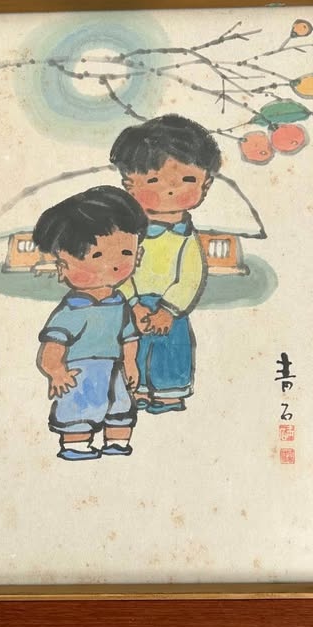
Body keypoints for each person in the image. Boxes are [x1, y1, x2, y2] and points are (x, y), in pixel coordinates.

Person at [109, 114, 222, 413]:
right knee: (132, 349)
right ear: (129, 185)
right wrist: (133, 303)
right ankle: (137, 391)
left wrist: (169, 310)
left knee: (172, 352)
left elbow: (191, 277)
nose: (170, 190)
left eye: (187, 180)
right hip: (132, 306)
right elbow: (119, 270)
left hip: (171, 310)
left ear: (206, 184)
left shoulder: (187, 238)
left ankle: (169, 394)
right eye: (154, 181)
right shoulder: (128, 232)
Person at [34, 186, 148, 460]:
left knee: (120, 406)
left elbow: (129, 337)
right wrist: (56, 371)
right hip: (82, 371)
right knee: (80, 408)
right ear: (63, 267)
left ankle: (117, 441)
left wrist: (131, 363)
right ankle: (76, 445)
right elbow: (53, 346)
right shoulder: (71, 311)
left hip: (115, 368)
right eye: (97, 256)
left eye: (125, 252)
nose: (114, 264)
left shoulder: (120, 302)